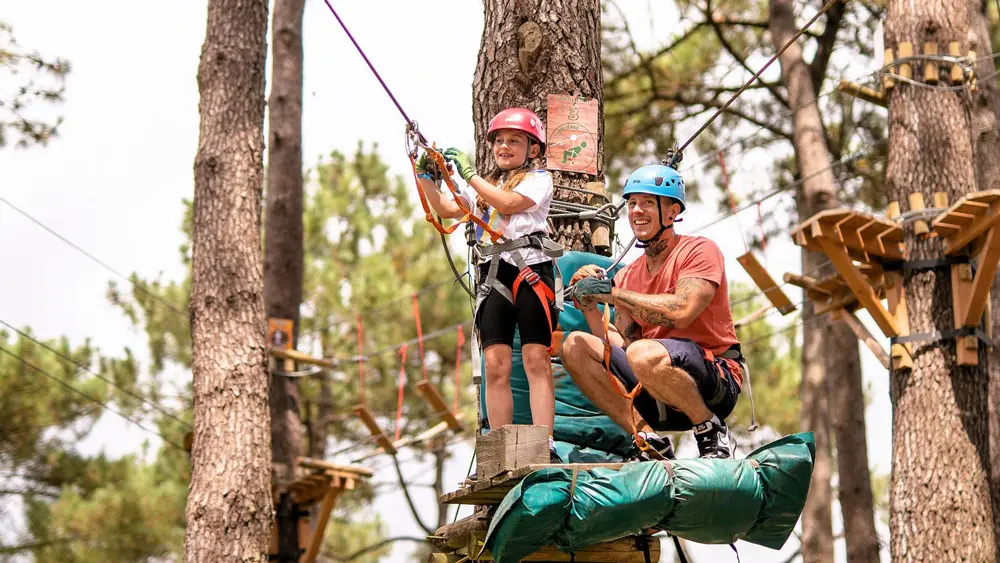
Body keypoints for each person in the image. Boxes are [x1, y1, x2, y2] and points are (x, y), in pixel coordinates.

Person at [560, 163, 745, 460]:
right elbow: (622, 345)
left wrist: (612, 293)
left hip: (714, 385)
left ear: (672, 212)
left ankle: (711, 430)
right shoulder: (628, 275)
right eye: (632, 203)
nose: (637, 211)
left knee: (644, 354)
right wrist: (591, 308)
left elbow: (682, 311)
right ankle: (647, 439)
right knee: (575, 346)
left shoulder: (699, 251)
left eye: (647, 202)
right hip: (657, 389)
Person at [415, 107, 562, 465]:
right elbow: (447, 208)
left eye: (515, 141)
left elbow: (508, 205)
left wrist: (468, 174)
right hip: (494, 273)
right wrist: (426, 176)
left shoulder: (539, 180)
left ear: (533, 149)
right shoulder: (483, 188)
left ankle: (545, 441)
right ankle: (501, 448)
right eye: (499, 140)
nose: (505, 146)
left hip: (530, 270)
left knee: (535, 359)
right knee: (495, 363)